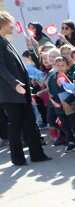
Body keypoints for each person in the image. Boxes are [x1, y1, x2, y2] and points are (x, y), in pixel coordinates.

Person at [0, 11, 50, 166]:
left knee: (30, 122)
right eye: (10, 23)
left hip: (21, 90)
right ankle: (18, 158)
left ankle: (37, 154)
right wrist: (15, 83)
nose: (13, 26)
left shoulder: (5, 41)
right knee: (15, 125)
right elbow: (1, 68)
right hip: (11, 92)